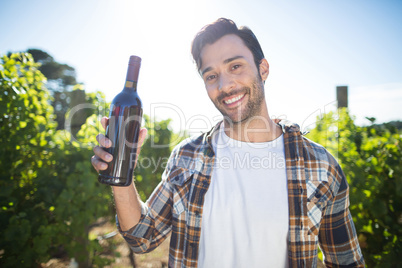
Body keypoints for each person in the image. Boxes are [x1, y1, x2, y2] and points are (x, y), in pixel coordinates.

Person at [91, 18, 365, 267]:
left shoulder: (322, 168)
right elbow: (142, 238)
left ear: (263, 68)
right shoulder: (186, 157)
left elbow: (346, 262)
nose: (225, 84)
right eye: (211, 76)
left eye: (235, 66)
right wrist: (122, 178)